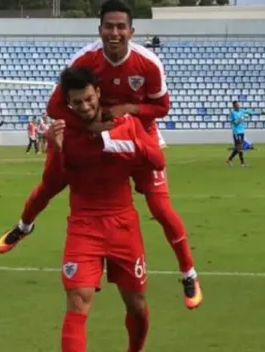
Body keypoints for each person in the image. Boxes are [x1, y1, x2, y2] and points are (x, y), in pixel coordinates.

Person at [0, 0, 202, 310]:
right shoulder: (85, 59)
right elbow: (55, 107)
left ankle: (189, 272)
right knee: (50, 185)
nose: (115, 33)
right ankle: (24, 226)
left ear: (132, 31)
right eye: (109, 26)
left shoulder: (148, 63)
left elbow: (162, 107)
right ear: (100, 29)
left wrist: (128, 110)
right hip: (88, 134)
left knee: (160, 207)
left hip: (135, 136)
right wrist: (91, 127)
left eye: (121, 27)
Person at [44, 67, 164, 352]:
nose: (84, 107)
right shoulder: (63, 133)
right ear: (68, 103)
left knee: (136, 304)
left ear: (98, 92)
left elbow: (158, 161)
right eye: (76, 102)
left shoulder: (126, 123)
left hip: (123, 224)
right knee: (77, 300)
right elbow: (51, 183)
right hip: (84, 225)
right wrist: (56, 150)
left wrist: (133, 144)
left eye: (88, 99)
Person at [227, 101, 263, 167]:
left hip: (241, 131)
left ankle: (230, 159)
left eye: (238, 105)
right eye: (237, 105)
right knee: (240, 148)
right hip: (236, 132)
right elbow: (235, 123)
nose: (238, 106)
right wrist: (242, 118)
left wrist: (260, 113)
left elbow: (251, 113)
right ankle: (242, 163)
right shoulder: (232, 113)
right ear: (234, 106)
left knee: (239, 148)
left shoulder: (242, 111)